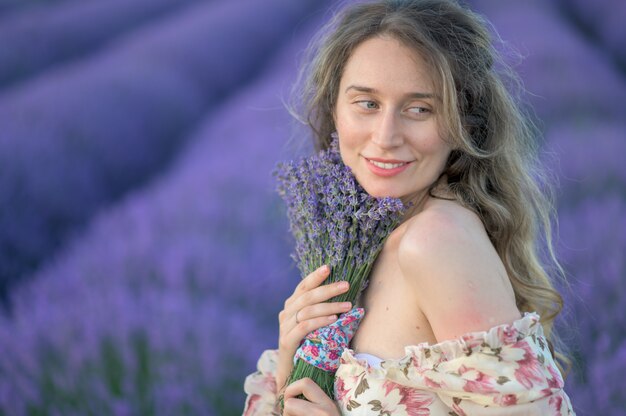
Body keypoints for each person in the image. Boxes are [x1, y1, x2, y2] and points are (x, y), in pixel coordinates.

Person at [243, 0, 576, 414]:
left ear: (463, 123)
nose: (386, 136)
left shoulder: (436, 242)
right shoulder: (363, 239)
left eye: (420, 109)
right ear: (334, 109)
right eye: (367, 103)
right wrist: (291, 371)